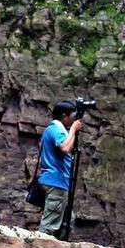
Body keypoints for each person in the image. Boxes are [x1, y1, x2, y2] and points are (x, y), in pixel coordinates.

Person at [37, 100, 83, 235]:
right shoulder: (57, 129)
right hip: (55, 182)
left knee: (67, 221)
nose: (73, 120)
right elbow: (64, 148)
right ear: (64, 116)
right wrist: (74, 129)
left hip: (55, 181)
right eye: (72, 116)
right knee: (49, 225)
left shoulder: (51, 129)